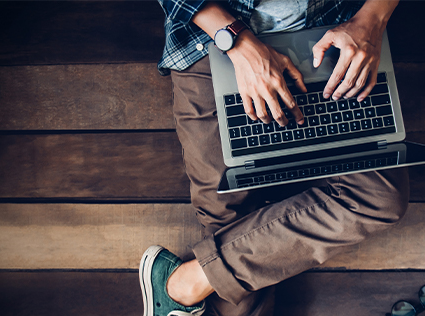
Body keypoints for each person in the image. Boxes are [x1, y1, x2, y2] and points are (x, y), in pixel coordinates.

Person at [140, 0, 408, 315]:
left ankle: (186, 282)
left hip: (330, 40)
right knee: (225, 209)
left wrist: (373, 18)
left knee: (379, 198)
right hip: (207, 40)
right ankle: (188, 282)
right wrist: (236, 40)